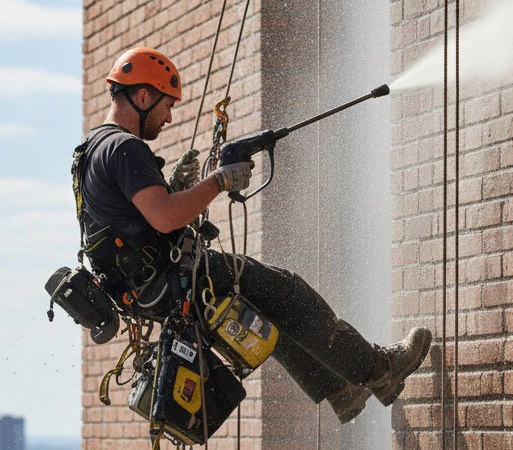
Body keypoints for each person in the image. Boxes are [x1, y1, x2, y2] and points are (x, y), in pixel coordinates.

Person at [75, 46, 431, 424]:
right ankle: (378, 368)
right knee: (287, 292)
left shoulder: (90, 150)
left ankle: (342, 391)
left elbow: (136, 219)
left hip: (144, 292)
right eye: (167, 104)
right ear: (142, 96)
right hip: (171, 280)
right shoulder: (125, 147)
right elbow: (164, 218)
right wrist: (218, 181)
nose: (169, 116)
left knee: (264, 322)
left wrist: (179, 190)